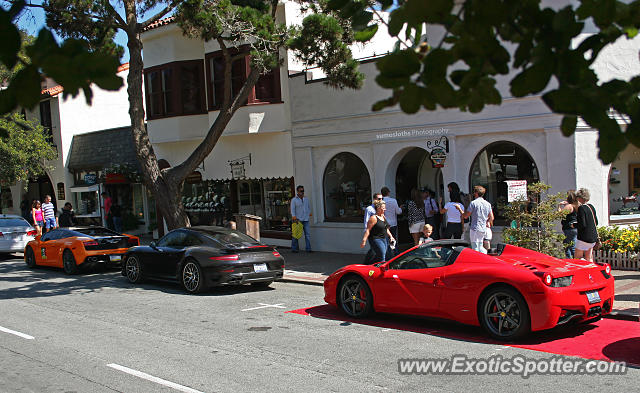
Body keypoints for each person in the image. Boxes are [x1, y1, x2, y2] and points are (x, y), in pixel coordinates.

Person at [460, 185, 494, 253]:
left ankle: (481, 259)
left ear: (476, 193)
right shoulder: (488, 204)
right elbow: (492, 217)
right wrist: (486, 222)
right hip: (483, 228)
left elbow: (466, 216)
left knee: (475, 247)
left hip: (475, 227)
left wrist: (460, 210)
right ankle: (486, 257)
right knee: (480, 246)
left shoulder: (473, 203)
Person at [575, 188, 598, 262]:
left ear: (579, 198)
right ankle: (591, 271)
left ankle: (581, 273)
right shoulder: (591, 207)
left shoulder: (581, 208)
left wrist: (574, 225)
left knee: (578, 258)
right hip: (593, 237)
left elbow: (582, 224)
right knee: (589, 258)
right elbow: (596, 222)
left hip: (584, 237)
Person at [290, 185, 312, 253]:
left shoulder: (306, 199)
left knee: (307, 235)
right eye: (301, 191)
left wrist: (309, 214)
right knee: (296, 234)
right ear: (298, 191)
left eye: (303, 191)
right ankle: (294, 248)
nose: (302, 192)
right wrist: (294, 218)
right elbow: (292, 209)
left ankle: (308, 249)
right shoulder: (294, 200)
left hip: (306, 219)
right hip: (298, 220)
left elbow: (308, 207)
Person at [558, 190, 580, 258]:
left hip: (568, 227)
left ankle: (575, 260)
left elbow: (561, 214)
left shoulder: (569, 206)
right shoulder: (577, 205)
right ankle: (570, 259)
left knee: (570, 245)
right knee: (569, 244)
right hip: (575, 227)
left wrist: (559, 206)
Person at [381, 187, 402, 257]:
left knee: (387, 241)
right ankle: (396, 254)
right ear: (388, 192)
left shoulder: (381, 202)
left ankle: (389, 256)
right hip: (393, 223)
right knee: (394, 239)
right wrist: (401, 208)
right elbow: (398, 212)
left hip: (385, 224)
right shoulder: (393, 200)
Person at [363, 193, 383, 264]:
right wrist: (366, 234)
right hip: (372, 233)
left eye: (381, 198)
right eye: (379, 199)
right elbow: (366, 221)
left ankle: (368, 264)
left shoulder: (380, 208)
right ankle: (367, 264)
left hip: (380, 233)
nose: (380, 200)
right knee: (376, 250)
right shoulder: (369, 209)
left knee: (374, 250)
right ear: (374, 199)